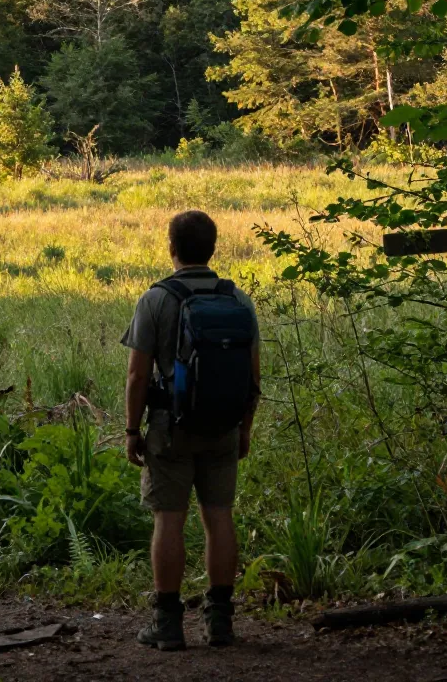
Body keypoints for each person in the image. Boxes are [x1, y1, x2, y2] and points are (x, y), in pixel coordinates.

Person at [121, 210, 261, 650]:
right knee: (219, 516)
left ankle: (167, 623)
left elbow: (138, 377)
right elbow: (254, 378)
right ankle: (220, 621)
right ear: (213, 248)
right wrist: (244, 429)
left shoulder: (156, 300)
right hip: (222, 426)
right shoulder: (239, 300)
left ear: (171, 248)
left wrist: (131, 429)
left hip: (170, 430)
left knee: (169, 519)